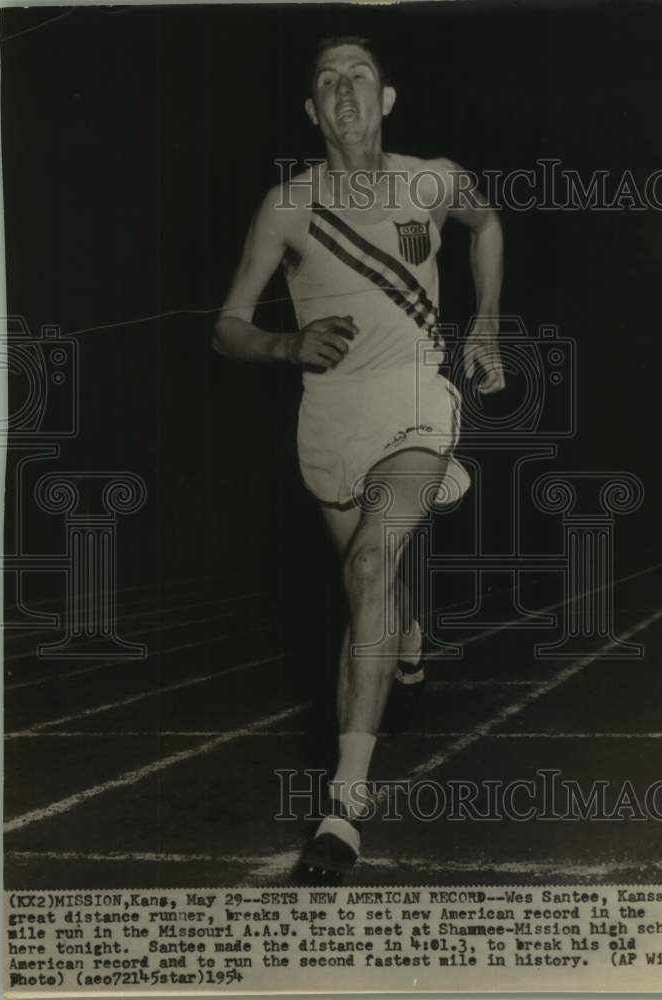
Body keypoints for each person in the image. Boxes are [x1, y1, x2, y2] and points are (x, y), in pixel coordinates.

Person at [213, 35, 504, 880]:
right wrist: (281, 343)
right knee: (373, 579)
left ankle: (345, 809)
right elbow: (225, 324)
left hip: (416, 401)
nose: (344, 91)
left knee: (375, 561)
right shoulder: (288, 206)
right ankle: (408, 629)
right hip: (329, 421)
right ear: (312, 110)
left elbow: (488, 223)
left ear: (385, 100)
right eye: (326, 82)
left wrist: (485, 321)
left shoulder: (433, 179)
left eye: (359, 77)